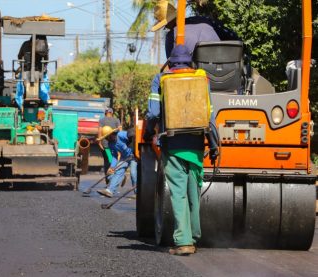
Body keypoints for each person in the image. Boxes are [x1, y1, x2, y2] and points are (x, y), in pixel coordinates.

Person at [144, 45, 218, 256]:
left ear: (171, 62)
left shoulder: (161, 79)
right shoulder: (202, 80)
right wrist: (213, 145)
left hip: (173, 145)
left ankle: (183, 242)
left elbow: (152, 113)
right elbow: (209, 117)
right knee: (194, 192)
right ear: (190, 62)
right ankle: (194, 235)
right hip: (196, 146)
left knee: (178, 193)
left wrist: (150, 133)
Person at [151, 0, 239, 57]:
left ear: (168, 22)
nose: (165, 27)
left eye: (164, 25)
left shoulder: (171, 36)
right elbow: (234, 37)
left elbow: (172, 65)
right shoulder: (204, 20)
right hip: (225, 74)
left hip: (196, 79)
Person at [97, 127, 137, 198]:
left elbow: (133, 137)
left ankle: (137, 193)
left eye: (107, 137)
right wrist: (112, 167)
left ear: (112, 134)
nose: (107, 139)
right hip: (125, 157)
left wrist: (133, 150)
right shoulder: (111, 144)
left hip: (134, 156)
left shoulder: (121, 135)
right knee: (118, 171)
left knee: (133, 173)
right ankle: (110, 191)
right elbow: (115, 156)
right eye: (106, 137)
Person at [97, 108, 121, 183]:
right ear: (112, 113)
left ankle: (108, 180)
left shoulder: (102, 120)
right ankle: (111, 179)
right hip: (114, 144)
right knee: (113, 159)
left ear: (105, 113)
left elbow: (100, 131)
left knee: (107, 161)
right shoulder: (117, 120)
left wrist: (99, 142)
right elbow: (120, 130)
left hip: (105, 144)